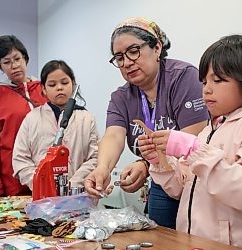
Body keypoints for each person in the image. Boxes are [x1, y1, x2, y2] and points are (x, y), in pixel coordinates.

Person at [138, 35, 242, 250]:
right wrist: (159, 160)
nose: (206, 90)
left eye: (218, 80)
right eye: (204, 82)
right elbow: (181, 190)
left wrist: (192, 149)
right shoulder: (209, 130)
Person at [84, 17, 209, 229]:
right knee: (160, 243)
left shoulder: (183, 78)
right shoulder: (121, 96)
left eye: (134, 51)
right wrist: (102, 169)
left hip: (194, 180)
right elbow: (113, 135)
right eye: (119, 57)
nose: (127, 62)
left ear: (157, 48)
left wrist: (144, 164)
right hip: (161, 181)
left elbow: (193, 138)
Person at [0, 35, 47, 197]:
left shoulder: (44, 89)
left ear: (26, 59)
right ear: (0, 67)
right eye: (6, 62)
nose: (14, 66)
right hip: (13, 184)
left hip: (48, 178)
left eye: (17, 59)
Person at [12, 60, 99, 191]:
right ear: (43, 89)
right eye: (52, 84)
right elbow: (20, 159)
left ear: (73, 84)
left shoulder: (87, 118)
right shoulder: (31, 119)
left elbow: (96, 157)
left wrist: (74, 183)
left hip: (79, 195)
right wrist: (41, 183)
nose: (59, 88)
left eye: (64, 83)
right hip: (42, 196)